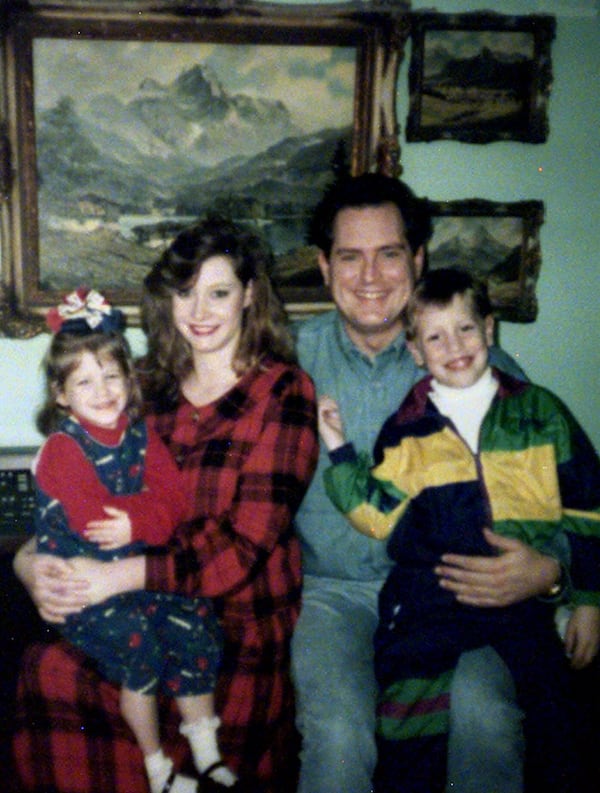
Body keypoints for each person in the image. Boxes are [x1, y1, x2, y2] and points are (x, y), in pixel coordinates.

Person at [13, 217, 319, 793]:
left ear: (250, 295)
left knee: (163, 673)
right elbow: (75, 491)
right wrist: (29, 565)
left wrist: (115, 577)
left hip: (235, 626)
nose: (199, 310)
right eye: (185, 292)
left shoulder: (283, 392)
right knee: (48, 670)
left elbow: (243, 548)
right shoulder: (143, 384)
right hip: (135, 599)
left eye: (219, 292)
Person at [290, 172, 570, 793]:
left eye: (389, 254)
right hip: (330, 596)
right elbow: (191, 453)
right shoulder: (286, 361)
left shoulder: (487, 373)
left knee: (485, 719)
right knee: (337, 732)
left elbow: (566, 488)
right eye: (349, 257)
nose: (370, 277)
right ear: (323, 265)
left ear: (417, 260)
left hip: (449, 594)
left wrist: (550, 571)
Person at [318, 267, 600, 793]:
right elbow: (376, 514)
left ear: (489, 330)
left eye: (466, 329)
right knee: (407, 714)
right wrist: (339, 451)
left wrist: (587, 598)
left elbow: (589, 509)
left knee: (555, 717)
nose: (454, 346)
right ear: (416, 352)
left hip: (523, 601)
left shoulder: (542, 413)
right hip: (433, 595)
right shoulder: (407, 430)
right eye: (435, 336)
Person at [34, 288, 236, 793]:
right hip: (83, 589)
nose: (102, 390)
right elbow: (91, 523)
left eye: (111, 375)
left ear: (128, 377)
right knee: (139, 647)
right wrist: (149, 515)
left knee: (194, 623)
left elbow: (176, 504)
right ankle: (158, 769)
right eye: (84, 381)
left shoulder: (142, 434)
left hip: (136, 573)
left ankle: (206, 752)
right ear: (61, 394)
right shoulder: (63, 450)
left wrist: (144, 518)